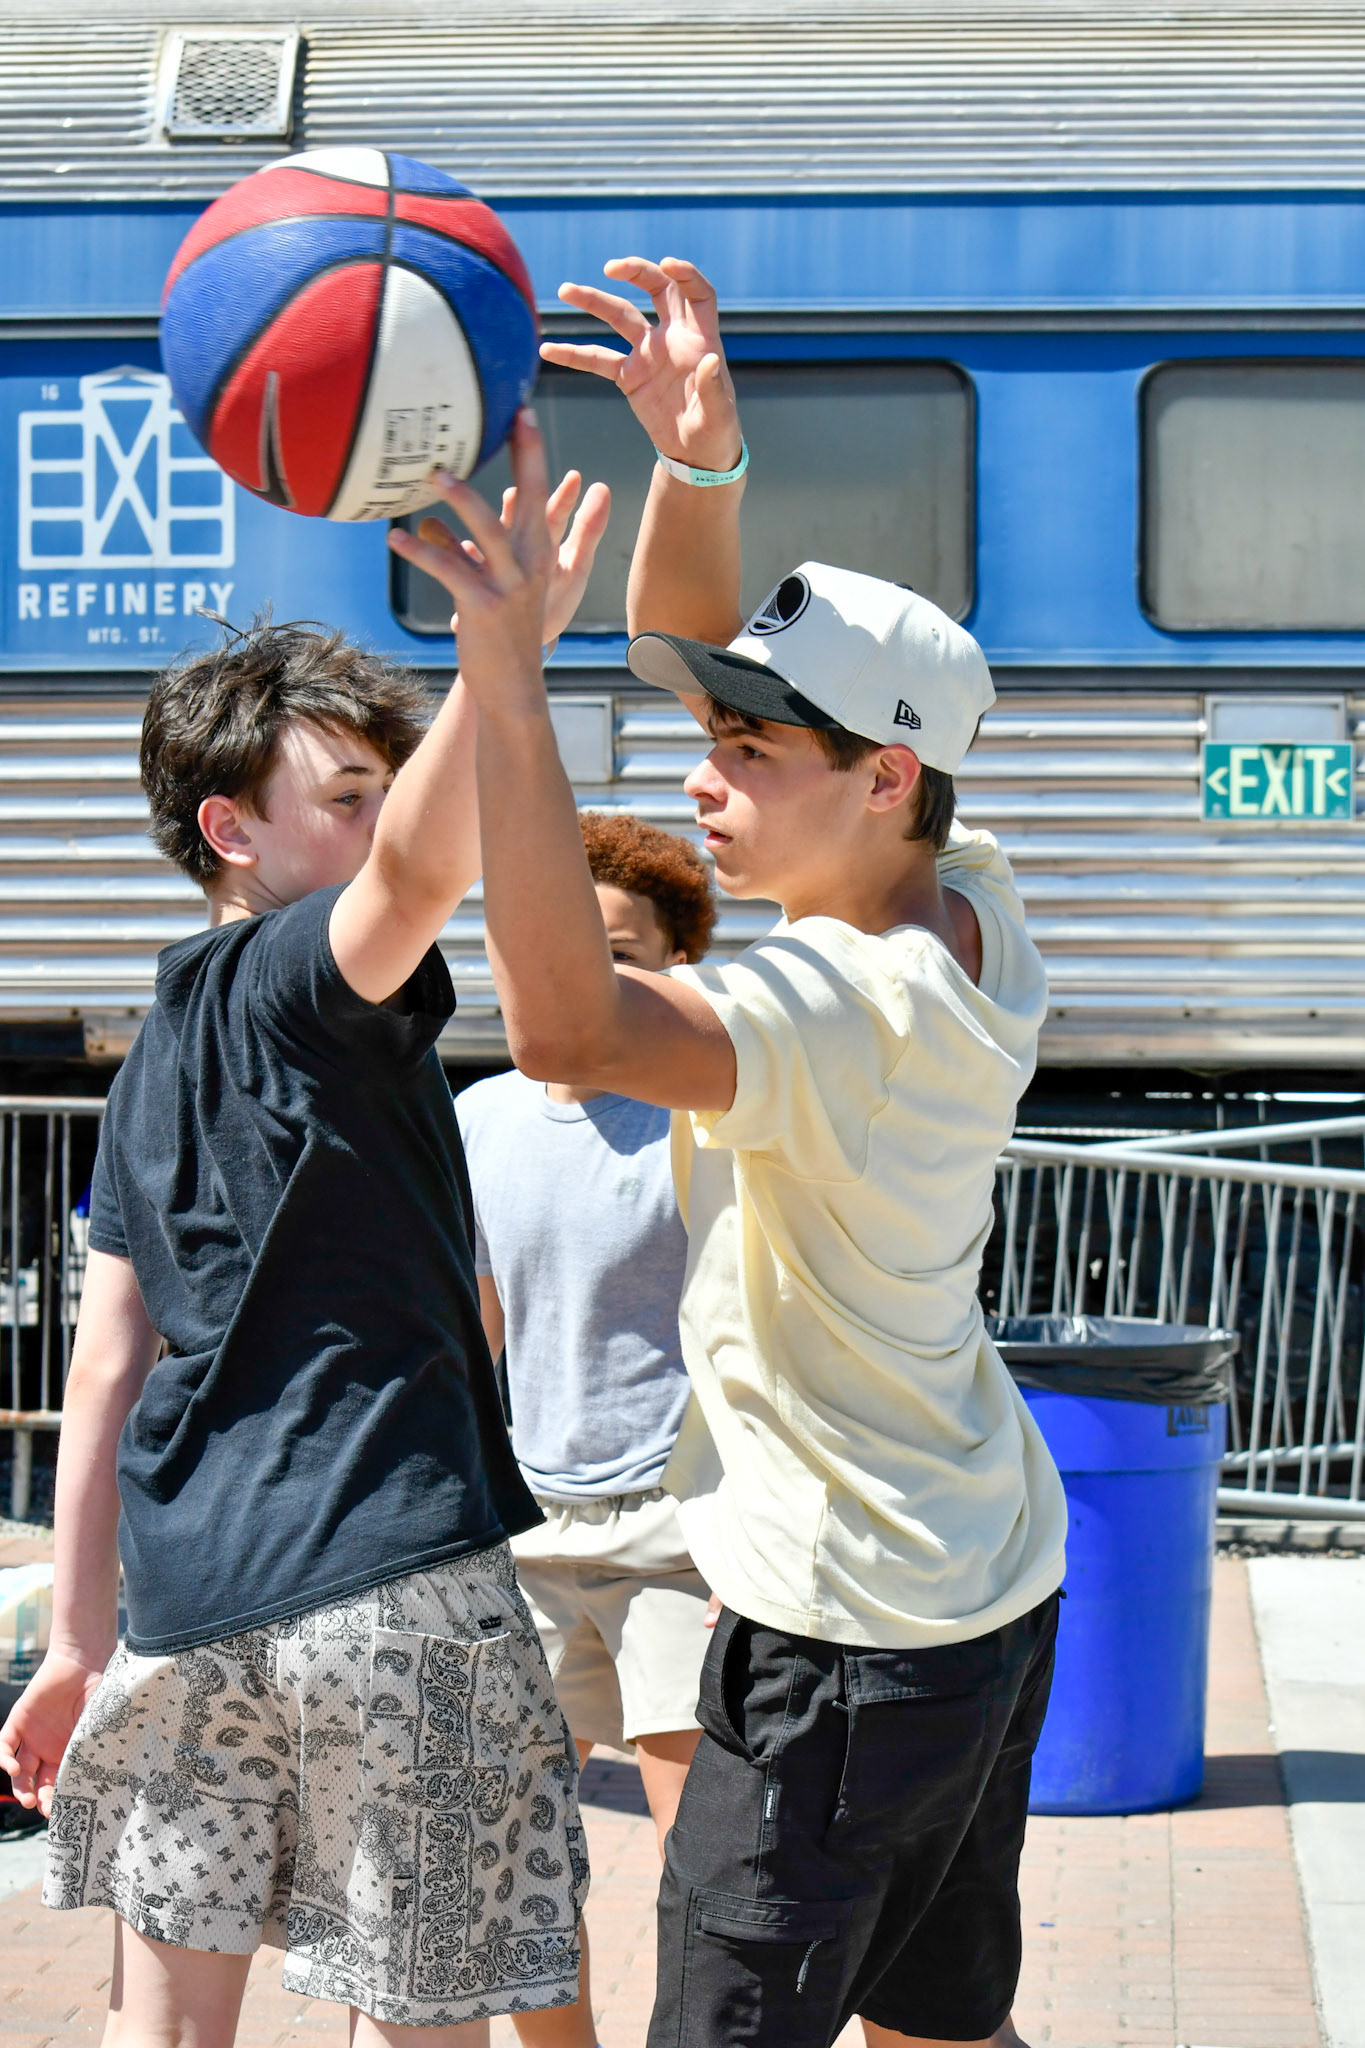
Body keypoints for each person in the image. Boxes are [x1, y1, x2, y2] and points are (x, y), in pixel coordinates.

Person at [386, 260, 1068, 2048]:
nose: (702, 778)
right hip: (982, 1570)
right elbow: (696, 644)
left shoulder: (850, 1003)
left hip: (842, 1627)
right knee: (941, 2026)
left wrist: (504, 689)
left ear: (882, 778)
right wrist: (700, 465)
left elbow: (567, 1029)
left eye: (748, 750)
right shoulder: (964, 893)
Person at [0, 458, 610, 2048]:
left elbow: (105, 1373)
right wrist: (502, 657)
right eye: (346, 795)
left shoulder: (148, 1060)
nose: (382, 819)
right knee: (424, 2020)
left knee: (161, 2028)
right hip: (391, 1586)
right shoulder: (300, 980)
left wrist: (76, 1641)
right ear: (233, 832)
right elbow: (417, 873)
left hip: (186, 1610)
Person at [457, 810, 718, 2048]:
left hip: (680, 1534)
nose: (579, 974)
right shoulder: (479, 1118)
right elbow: (478, 1329)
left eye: (619, 952)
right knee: (506, 1857)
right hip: (524, 1534)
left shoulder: (701, 1116)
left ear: (678, 965)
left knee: (705, 1868)